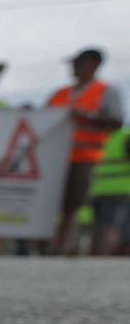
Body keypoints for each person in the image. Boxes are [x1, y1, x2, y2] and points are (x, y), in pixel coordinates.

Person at [49, 49, 125, 254]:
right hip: (54, 158)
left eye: (78, 64)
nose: (73, 68)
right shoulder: (61, 93)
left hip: (85, 158)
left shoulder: (106, 91)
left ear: (94, 64)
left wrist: (87, 116)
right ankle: (51, 246)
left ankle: (63, 247)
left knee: (73, 205)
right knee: (51, 204)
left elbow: (116, 121)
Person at [90, 126, 130, 256]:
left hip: (99, 189)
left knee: (106, 229)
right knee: (111, 229)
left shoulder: (101, 136)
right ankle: (102, 265)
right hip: (119, 191)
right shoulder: (124, 136)